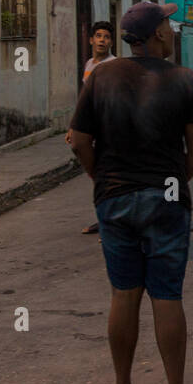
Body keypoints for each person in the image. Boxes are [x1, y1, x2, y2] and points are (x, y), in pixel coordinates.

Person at [68, 1, 193, 384]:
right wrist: (168, 183)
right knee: (166, 295)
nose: (171, 28)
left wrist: (103, 180)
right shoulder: (183, 80)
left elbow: (78, 141)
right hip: (165, 201)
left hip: (115, 198)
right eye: (167, 23)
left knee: (123, 294)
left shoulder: (101, 77)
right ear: (157, 34)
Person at [69, 21, 116, 234]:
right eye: (98, 36)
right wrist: (74, 126)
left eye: (106, 37)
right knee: (96, 177)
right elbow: (84, 99)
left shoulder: (113, 66)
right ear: (91, 40)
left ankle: (112, 223)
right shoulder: (89, 65)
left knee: (107, 176)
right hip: (90, 130)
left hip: (107, 129)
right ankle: (103, 219)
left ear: (111, 42)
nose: (102, 40)